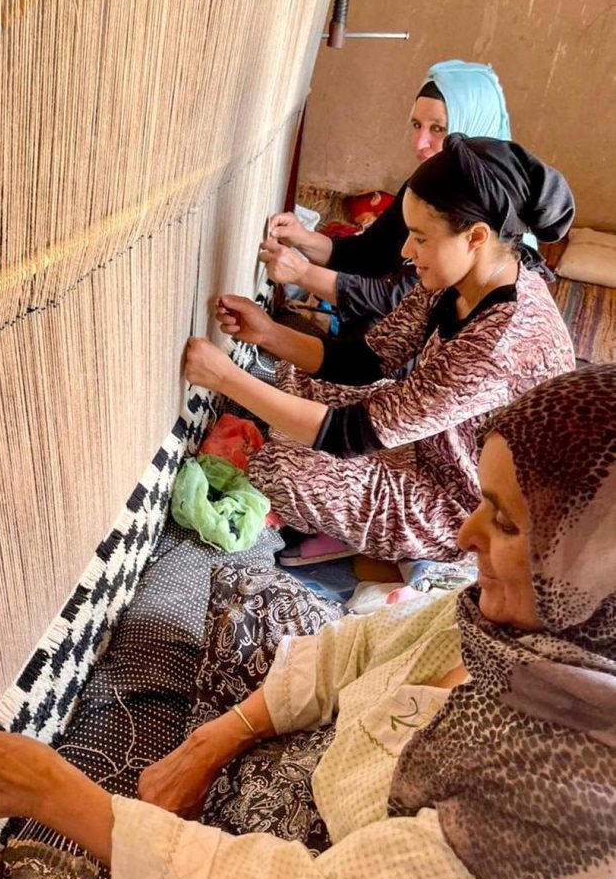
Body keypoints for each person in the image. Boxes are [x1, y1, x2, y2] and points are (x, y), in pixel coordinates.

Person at [0, 365, 616, 879]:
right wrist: (216, 738)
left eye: (503, 522)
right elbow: (364, 643)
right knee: (249, 597)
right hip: (348, 798)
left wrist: (60, 797)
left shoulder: (566, 813)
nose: (464, 537)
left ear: (591, 562)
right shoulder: (538, 634)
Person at [184, 135, 576, 562]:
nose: (407, 252)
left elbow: (347, 434)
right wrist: (268, 335)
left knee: (283, 469)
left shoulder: (502, 341)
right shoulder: (457, 279)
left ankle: (359, 540)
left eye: (420, 239)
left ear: (476, 236)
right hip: (431, 443)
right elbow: (368, 359)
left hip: (465, 508)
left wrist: (226, 376)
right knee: (295, 382)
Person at [261, 59, 517, 330]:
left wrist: (301, 273)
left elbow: (398, 299)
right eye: (416, 125)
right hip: (382, 348)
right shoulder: (423, 186)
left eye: (438, 129)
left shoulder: (483, 213)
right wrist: (303, 238)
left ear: (472, 127)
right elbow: (370, 252)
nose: (420, 143)